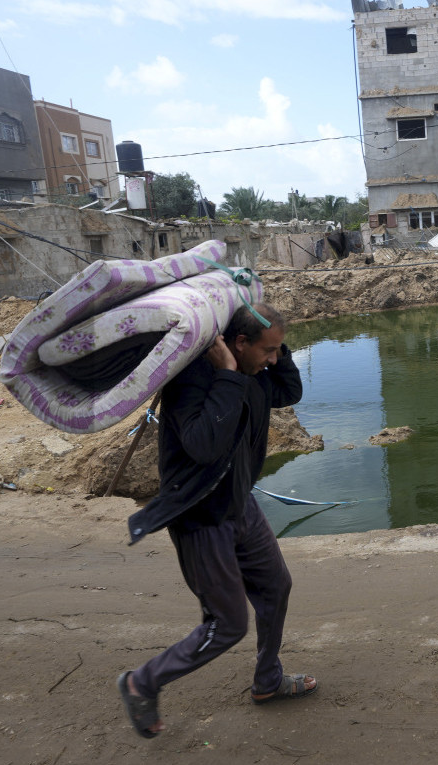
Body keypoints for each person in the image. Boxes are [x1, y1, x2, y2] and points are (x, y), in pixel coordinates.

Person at [117, 302, 317, 739]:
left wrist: (276, 342)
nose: (273, 361)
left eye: (277, 352)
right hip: (201, 515)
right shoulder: (191, 381)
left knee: (275, 586)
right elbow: (205, 445)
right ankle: (141, 682)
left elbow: (290, 392)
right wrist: (226, 372)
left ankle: (267, 681)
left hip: (239, 503)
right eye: (267, 351)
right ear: (238, 345)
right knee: (227, 625)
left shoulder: (257, 374)